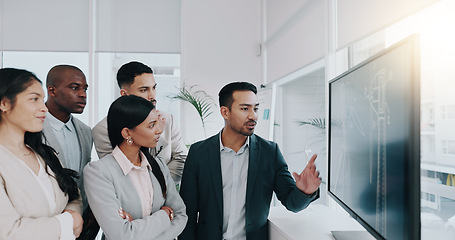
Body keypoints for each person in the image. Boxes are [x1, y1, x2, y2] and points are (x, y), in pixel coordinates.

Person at [179, 82, 321, 240]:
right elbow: (187, 213)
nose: (253, 116)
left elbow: (292, 203)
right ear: (225, 112)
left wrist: (305, 191)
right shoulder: (199, 153)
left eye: (256, 108)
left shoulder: (270, 152)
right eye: (245, 108)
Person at [83, 95, 187, 240]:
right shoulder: (98, 172)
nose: (159, 130)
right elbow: (121, 234)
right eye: (151, 125)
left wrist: (137, 230)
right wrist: (164, 215)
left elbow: (181, 215)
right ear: (127, 133)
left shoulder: (158, 165)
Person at [0, 68, 83, 239]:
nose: (43, 108)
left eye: (43, 100)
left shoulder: (44, 154)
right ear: (4, 104)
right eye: (34, 99)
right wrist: (67, 223)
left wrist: (72, 214)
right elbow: (8, 232)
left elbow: (73, 196)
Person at [92, 61, 187, 183]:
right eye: (144, 90)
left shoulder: (167, 120)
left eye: (154, 88)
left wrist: (159, 187)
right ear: (124, 94)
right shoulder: (102, 130)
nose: (152, 96)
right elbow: (116, 172)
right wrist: (155, 133)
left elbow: (182, 160)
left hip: (164, 195)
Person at [42, 65, 92, 212]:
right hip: (44, 218)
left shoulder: (86, 132)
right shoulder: (31, 129)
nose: (83, 94)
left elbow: (83, 179)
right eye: (75, 88)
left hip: (79, 220)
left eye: (85, 89)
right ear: (52, 90)